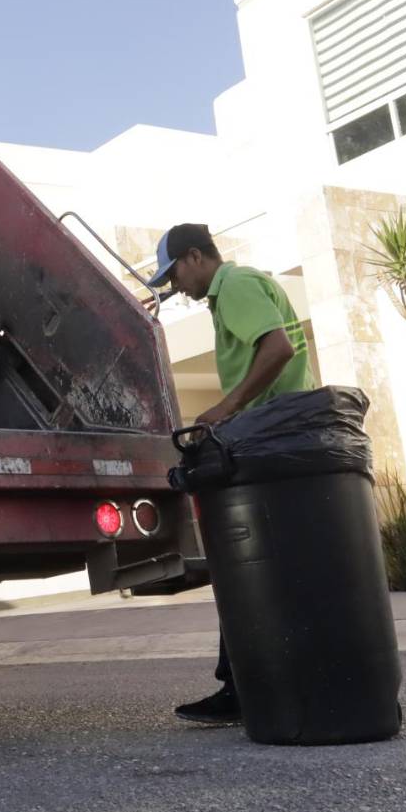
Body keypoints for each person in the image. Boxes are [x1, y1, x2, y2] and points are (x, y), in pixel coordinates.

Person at [145, 223, 314, 726]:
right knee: (254, 570)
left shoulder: (235, 284)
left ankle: (242, 689)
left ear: (195, 257)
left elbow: (278, 348)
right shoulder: (230, 294)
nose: (175, 286)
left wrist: (227, 407)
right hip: (273, 438)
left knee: (249, 568)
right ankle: (245, 684)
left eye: (174, 274)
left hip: (270, 438)